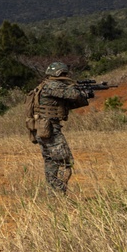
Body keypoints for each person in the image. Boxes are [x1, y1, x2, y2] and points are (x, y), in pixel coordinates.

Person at [26, 61, 92, 194]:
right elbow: (73, 95)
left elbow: (66, 104)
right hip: (50, 130)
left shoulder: (44, 86)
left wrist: (85, 95)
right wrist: (82, 92)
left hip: (42, 129)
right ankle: (59, 192)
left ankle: (53, 195)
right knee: (66, 162)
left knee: (51, 163)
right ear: (60, 73)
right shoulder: (52, 86)